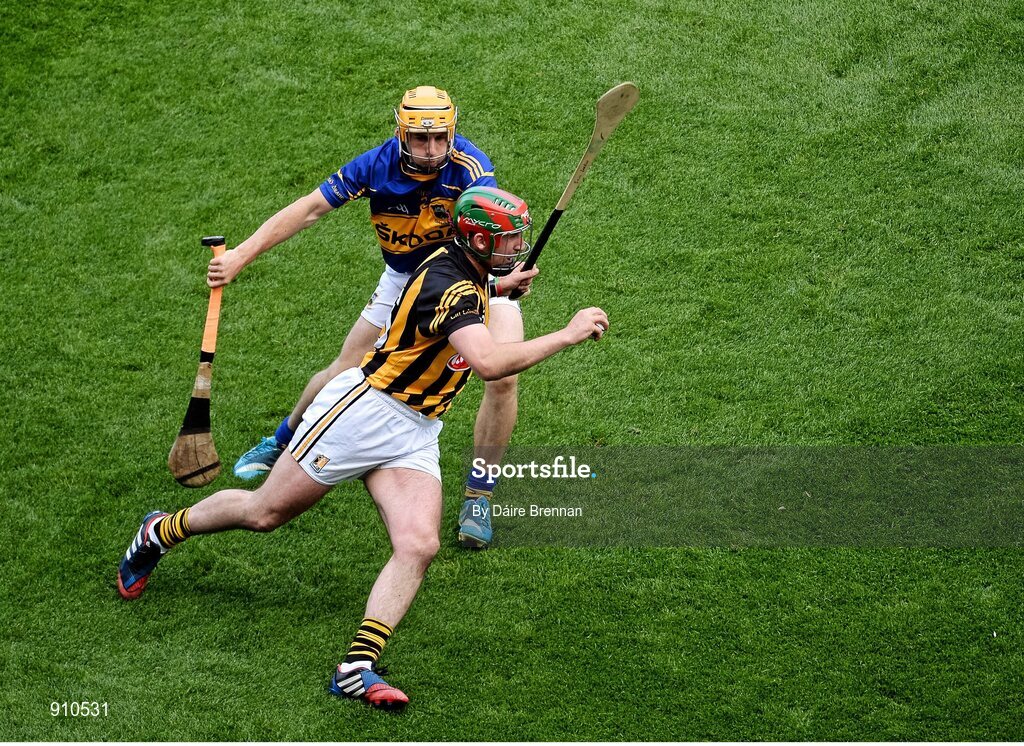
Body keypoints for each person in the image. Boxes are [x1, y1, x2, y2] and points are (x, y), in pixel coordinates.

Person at [117, 186, 609, 710]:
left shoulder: (464, 271)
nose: (516, 247)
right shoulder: (453, 288)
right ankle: (160, 531)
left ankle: (356, 667)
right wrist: (568, 334)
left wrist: (499, 283)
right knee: (264, 513)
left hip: (417, 428)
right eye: (507, 240)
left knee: (419, 544)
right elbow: (488, 363)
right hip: (364, 411)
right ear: (477, 239)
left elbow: (475, 295)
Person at [209, 85, 530, 549]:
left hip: (472, 278)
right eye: (421, 139)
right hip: (405, 279)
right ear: (401, 133)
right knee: (347, 368)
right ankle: (283, 436)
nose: (432, 149)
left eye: (441, 138)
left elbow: (490, 223)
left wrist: (504, 272)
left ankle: (479, 493)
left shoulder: (471, 167)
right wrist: (242, 253)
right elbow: (310, 209)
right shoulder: (375, 165)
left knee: (503, 378)